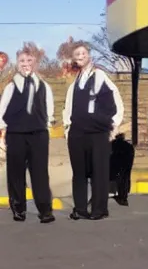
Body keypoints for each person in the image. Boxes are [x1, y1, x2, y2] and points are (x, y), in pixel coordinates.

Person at [62, 42, 124, 220]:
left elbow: (116, 100)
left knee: (99, 171)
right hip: (77, 135)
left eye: (82, 53)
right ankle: (80, 209)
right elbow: (68, 108)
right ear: (74, 59)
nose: (80, 56)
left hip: (98, 134)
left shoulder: (100, 76)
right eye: (76, 54)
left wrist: (113, 125)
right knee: (79, 173)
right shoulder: (75, 82)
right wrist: (68, 129)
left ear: (89, 55)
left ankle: (99, 209)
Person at [0, 47, 55, 223]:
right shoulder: (11, 85)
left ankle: (45, 210)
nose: (26, 64)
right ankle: (18, 208)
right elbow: (2, 110)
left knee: (40, 172)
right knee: (15, 173)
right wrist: (3, 130)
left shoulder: (43, 85)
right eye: (22, 61)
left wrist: (46, 126)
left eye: (29, 61)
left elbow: (49, 109)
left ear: (35, 63)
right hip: (16, 134)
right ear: (17, 63)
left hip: (38, 135)